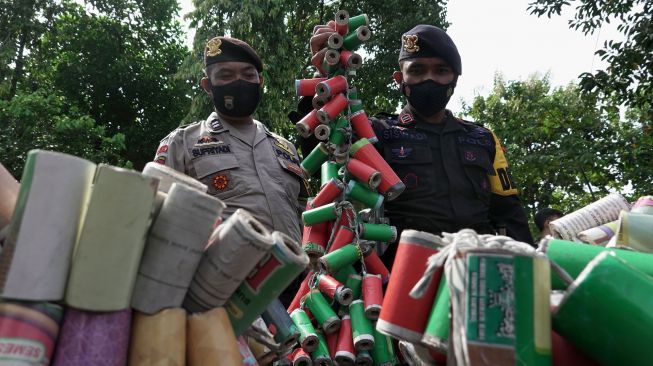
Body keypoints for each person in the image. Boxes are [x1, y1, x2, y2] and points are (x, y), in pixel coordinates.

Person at [304, 24, 534, 268]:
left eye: (441, 70)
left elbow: (510, 215)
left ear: (455, 78)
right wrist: (322, 81)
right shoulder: (376, 133)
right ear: (399, 79)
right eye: (418, 70)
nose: (429, 78)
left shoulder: (483, 138)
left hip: (476, 274)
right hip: (401, 278)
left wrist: (534, 274)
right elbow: (320, 151)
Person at [153, 36, 307, 243]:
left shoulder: (285, 148)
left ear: (260, 81)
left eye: (248, 74)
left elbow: (305, 216)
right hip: (218, 273)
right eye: (226, 75)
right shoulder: (181, 143)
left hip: (294, 271)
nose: (239, 82)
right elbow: (155, 217)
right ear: (208, 86)